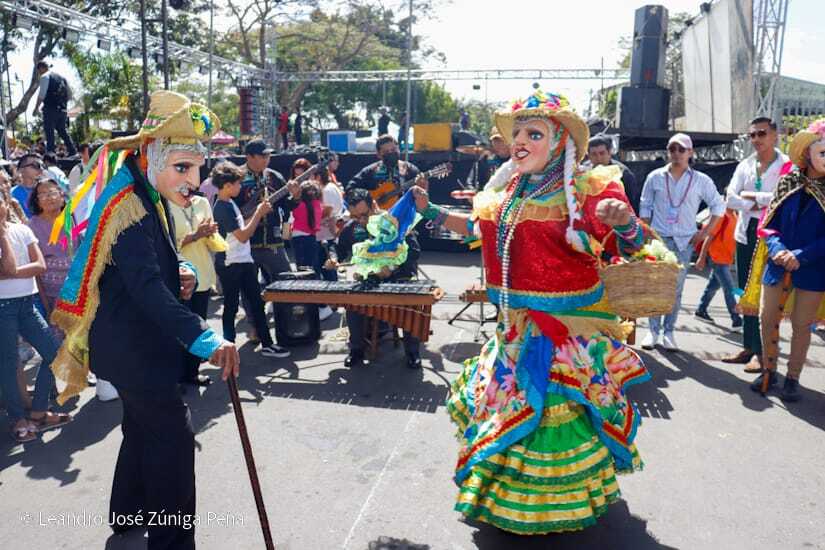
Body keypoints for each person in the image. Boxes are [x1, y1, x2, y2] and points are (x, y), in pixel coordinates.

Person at [407, 89, 654, 534]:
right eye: (517, 132)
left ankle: (554, 510)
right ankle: (508, 504)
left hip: (566, 332)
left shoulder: (586, 191)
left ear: (560, 143)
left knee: (554, 415)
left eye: (533, 133)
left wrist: (624, 222)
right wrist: (431, 212)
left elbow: (633, 247)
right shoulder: (507, 190)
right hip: (515, 327)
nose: (520, 141)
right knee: (509, 411)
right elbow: (476, 232)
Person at [49, 91, 240, 549]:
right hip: (134, 347)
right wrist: (204, 338)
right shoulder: (130, 206)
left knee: (142, 427)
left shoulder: (144, 190)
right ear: (151, 154)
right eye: (182, 167)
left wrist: (185, 273)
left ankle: (129, 511)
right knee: (173, 439)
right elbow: (146, 289)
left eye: (196, 169)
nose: (193, 181)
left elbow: (157, 266)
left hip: (130, 345)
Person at [740, 119, 825, 402]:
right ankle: (768, 371)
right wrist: (776, 248)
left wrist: (799, 256)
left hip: (813, 269)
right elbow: (768, 223)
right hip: (776, 264)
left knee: (802, 324)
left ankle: (792, 378)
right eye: (823, 153)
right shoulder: (787, 181)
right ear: (807, 154)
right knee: (767, 318)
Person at [639, 133, 726, 351]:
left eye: (681, 149)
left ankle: (669, 332)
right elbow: (645, 207)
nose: (676, 154)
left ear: (690, 152)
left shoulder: (701, 180)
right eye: (673, 149)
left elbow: (718, 206)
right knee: (654, 287)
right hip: (658, 238)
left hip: (684, 242)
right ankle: (652, 331)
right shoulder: (655, 177)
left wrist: (705, 233)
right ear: (668, 152)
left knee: (675, 290)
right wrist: (646, 234)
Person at [0, 188, 72, 443]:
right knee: (8, 365)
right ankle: (19, 418)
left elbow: (39, 266)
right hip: (2, 307)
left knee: (55, 352)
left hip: (27, 304)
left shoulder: (22, 230)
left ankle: (39, 409)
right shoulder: (13, 231)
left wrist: (10, 272)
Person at [722, 117, 788, 372]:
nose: (757, 139)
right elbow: (730, 198)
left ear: (775, 135)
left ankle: (763, 353)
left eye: (762, 133)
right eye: (752, 135)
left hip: (773, 235)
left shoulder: (786, 166)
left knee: (767, 294)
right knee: (745, 290)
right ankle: (749, 346)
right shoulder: (745, 164)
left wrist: (752, 197)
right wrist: (757, 202)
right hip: (746, 232)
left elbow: (783, 198)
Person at [331, 188, 423, 369]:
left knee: (410, 304)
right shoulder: (353, 227)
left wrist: (391, 269)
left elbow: (414, 251)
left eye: (364, 215)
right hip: (369, 280)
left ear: (374, 205)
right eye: (355, 217)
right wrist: (334, 258)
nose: (361, 221)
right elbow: (337, 247)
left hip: (398, 277)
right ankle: (356, 349)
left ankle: (412, 352)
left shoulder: (394, 220)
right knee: (353, 303)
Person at [212, 161, 290, 359]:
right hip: (231, 264)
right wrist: (259, 213)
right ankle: (229, 347)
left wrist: (256, 213)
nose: (240, 187)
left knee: (256, 303)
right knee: (231, 307)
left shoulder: (228, 204)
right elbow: (243, 235)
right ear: (228, 185)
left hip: (242, 261)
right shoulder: (222, 207)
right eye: (238, 184)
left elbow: (241, 227)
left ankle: (267, 344)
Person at [169, 186, 222, 387]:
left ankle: (191, 373)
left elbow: (213, 242)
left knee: (198, 328)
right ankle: (175, 379)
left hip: (204, 274)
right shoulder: (165, 204)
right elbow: (166, 245)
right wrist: (194, 235)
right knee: (178, 332)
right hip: (180, 279)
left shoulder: (202, 202)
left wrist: (211, 234)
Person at [237, 139, 297, 283]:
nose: (267, 159)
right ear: (249, 157)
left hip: (273, 242)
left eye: (268, 156)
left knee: (286, 283)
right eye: (262, 156)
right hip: (246, 244)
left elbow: (287, 207)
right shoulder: (236, 177)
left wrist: (296, 196)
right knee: (249, 291)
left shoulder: (275, 177)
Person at [694, 208, 743, 330]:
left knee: (713, 286)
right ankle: (736, 320)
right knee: (730, 289)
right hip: (717, 258)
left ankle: (701, 310)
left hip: (724, 259)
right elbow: (709, 237)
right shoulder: (722, 215)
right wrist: (701, 257)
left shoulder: (735, 215)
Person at [346, 135, 424, 209]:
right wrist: (369, 199)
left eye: (393, 150)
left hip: (404, 213)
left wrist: (422, 188)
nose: (390, 153)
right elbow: (351, 188)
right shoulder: (371, 171)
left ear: (398, 149)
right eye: (386, 152)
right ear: (379, 154)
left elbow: (421, 196)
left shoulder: (410, 170)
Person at [585, 134, 641, 214]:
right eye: (594, 154)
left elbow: (632, 204)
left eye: (602, 153)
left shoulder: (623, 173)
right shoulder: (584, 173)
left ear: (609, 153)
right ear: (589, 156)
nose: (599, 158)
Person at [32, 61, 77, 157]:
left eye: (39, 71)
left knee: (49, 132)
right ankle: (73, 151)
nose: (39, 73)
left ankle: (51, 155)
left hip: (50, 109)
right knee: (62, 130)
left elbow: (42, 95)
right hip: (63, 110)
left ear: (41, 68)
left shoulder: (45, 77)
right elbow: (69, 95)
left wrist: (36, 108)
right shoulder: (62, 78)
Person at [290, 181, 322, 273]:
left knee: (300, 265)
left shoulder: (297, 204)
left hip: (295, 236)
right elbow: (316, 225)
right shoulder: (316, 204)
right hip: (309, 236)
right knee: (311, 265)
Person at [12, 153, 44, 218]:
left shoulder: (47, 190)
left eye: (42, 166)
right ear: (21, 169)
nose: (41, 169)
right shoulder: (12, 193)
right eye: (35, 165)